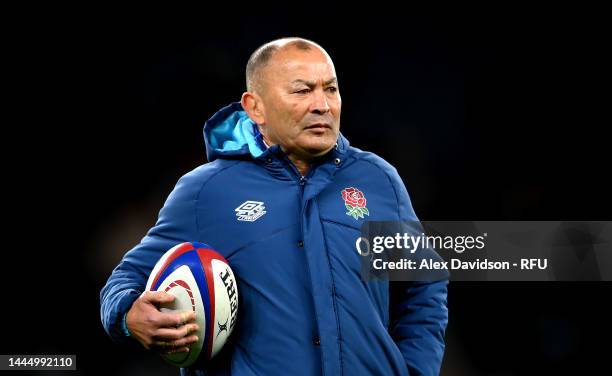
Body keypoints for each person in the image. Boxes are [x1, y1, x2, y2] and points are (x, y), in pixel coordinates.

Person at [100, 37, 448, 376]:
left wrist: (417, 368)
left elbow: (424, 284)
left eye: (330, 89)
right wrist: (129, 316)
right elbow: (125, 280)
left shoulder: (378, 178)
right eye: (302, 90)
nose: (322, 105)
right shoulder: (206, 191)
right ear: (255, 107)